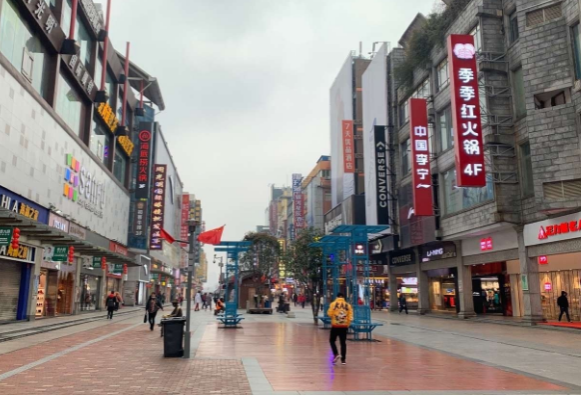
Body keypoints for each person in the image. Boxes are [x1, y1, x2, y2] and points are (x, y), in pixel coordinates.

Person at [327, 293, 353, 365]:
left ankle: (336, 354)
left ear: (337, 297)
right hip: (344, 326)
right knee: (343, 343)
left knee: (332, 340)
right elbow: (350, 317)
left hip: (335, 325)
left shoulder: (333, 304)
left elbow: (329, 314)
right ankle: (343, 360)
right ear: (343, 297)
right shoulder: (348, 305)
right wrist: (347, 324)